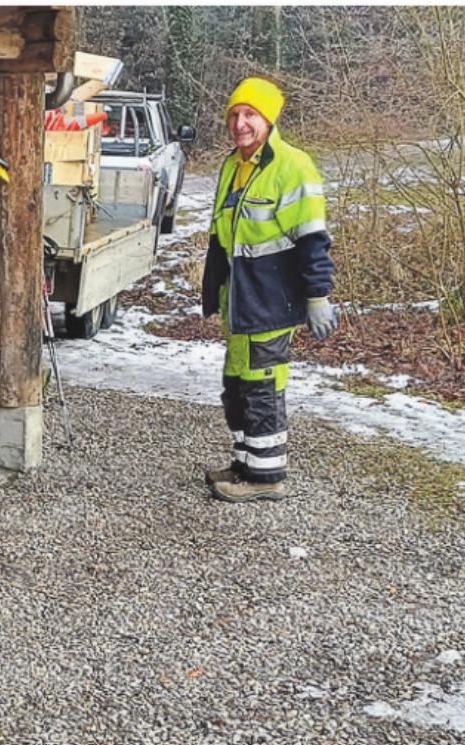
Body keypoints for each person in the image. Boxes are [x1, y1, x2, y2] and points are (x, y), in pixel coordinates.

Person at [200, 77, 335, 503]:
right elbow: (224, 237)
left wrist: (318, 295)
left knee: (262, 386)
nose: (240, 123)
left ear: (269, 118)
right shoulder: (233, 165)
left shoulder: (292, 167)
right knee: (237, 385)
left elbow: (313, 239)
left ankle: (265, 478)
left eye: (250, 115)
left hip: (271, 300)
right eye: (235, 115)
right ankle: (245, 462)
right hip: (239, 302)